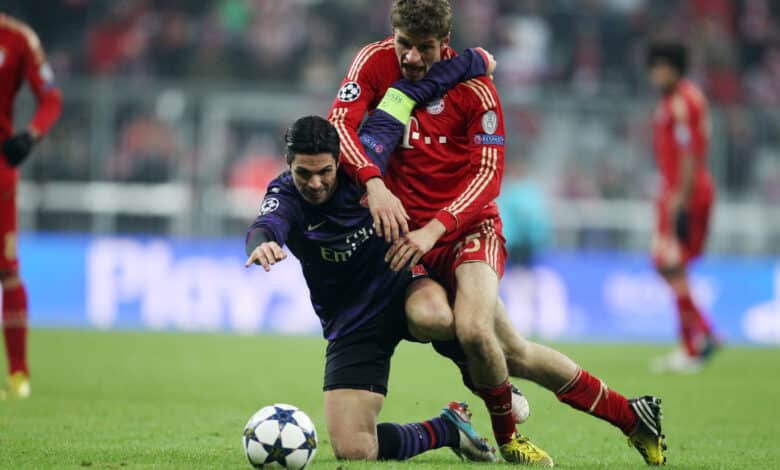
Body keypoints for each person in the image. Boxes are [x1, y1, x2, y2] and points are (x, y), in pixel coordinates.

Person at [329, 0, 667, 465]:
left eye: (424, 49)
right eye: (404, 44)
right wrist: (373, 182)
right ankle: (632, 416)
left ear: (444, 44)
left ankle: (508, 439)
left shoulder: (477, 90)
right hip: (410, 239)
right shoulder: (373, 61)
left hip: (468, 228)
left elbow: (487, 178)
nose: (410, 58)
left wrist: (435, 228)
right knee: (510, 350)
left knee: (473, 329)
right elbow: (338, 126)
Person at [246, 51, 499, 463]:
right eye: (303, 173)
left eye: (324, 171)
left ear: (339, 160)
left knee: (436, 317)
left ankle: (485, 379)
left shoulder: (368, 153)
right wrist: (260, 244)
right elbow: (266, 225)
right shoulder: (285, 195)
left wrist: (473, 60)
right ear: (288, 165)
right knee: (354, 450)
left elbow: (408, 91)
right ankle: (446, 428)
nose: (314, 183)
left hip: (401, 283)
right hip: (351, 321)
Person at [0, 13, 62, 400]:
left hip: (0, 171)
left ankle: (19, 373)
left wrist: (31, 136)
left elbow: (50, 98)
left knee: (7, 271)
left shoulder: (18, 38)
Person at [646, 43, 719, 374]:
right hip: (680, 190)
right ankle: (705, 334)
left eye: (663, 67)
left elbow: (689, 154)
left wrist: (680, 201)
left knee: (669, 262)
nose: (656, 74)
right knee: (669, 265)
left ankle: (693, 346)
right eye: (654, 67)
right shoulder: (688, 97)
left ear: (676, 68)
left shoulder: (680, 103)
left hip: (683, 193)